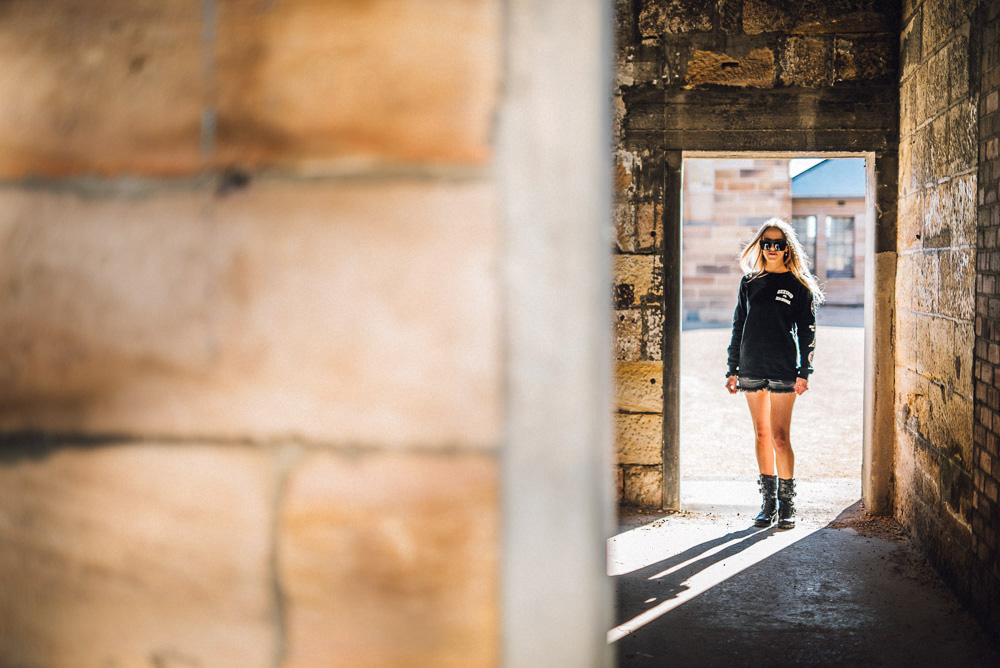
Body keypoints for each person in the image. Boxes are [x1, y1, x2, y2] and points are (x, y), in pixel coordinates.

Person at [724, 218, 824, 529]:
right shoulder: (749, 283)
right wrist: (732, 368)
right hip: (751, 366)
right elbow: (739, 326)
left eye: (777, 244)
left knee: (780, 437)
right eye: (766, 243)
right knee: (762, 434)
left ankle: (787, 503)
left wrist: (804, 372)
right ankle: (768, 504)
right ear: (760, 246)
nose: (771, 248)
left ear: (787, 248)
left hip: (783, 368)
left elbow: (807, 332)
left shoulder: (798, 285)